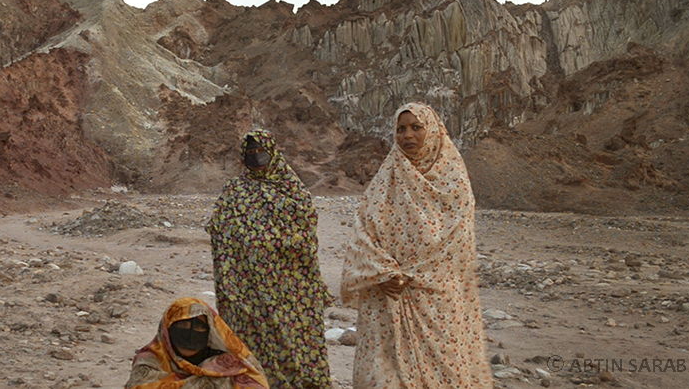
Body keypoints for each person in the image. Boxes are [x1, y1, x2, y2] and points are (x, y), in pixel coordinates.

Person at [340, 102, 491, 388]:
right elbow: (363, 230)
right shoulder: (387, 178)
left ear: (431, 131)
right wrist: (381, 272)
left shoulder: (454, 181)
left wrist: (413, 275)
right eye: (401, 129)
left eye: (416, 127)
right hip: (385, 297)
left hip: (437, 301)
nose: (408, 135)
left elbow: (457, 242)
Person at [205, 129, 332, 389]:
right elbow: (218, 228)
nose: (256, 156)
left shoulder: (291, 189)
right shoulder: (234, 191)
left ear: (273, 152)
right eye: (249, 153)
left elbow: (305, 231)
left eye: (260, 151)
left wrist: (267, 244)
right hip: (245, 288)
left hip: (289, 289)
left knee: (295, 341)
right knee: (253, 341)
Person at [125, 297, 269, 389]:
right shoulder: (151, 362)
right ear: (167, 330)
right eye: (182, 326)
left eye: (199, 327)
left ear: (211, 332)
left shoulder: (233, 366)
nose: (190, 335)